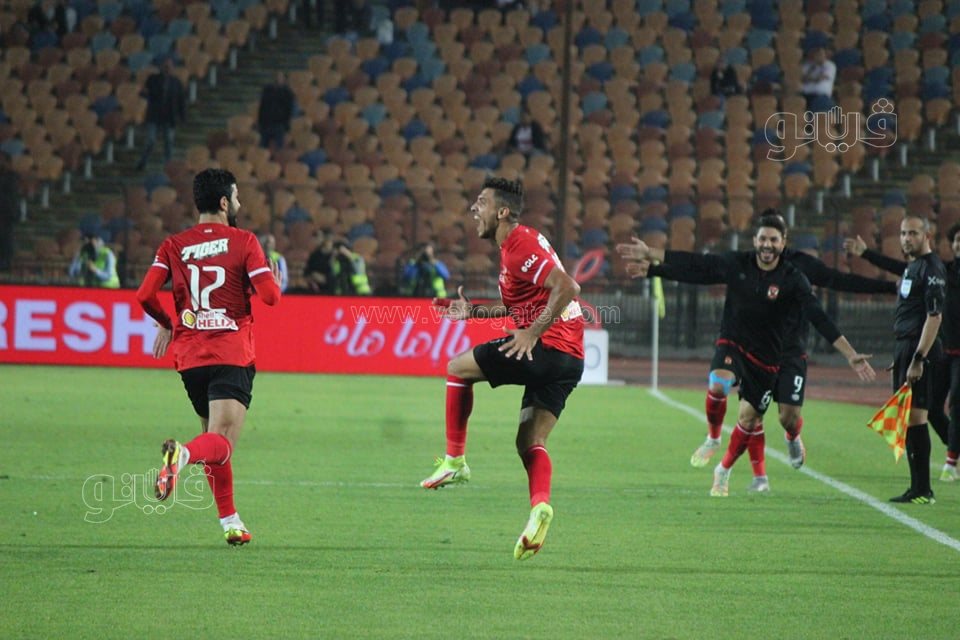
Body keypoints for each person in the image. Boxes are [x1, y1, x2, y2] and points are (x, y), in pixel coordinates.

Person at [617, 213, 876, 496]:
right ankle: (713, 439)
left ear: (783, 243)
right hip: (735, 343)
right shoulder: (738, 263)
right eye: (763, 239)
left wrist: (849, 354)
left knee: (765, 420)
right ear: (755, 240)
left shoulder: (793, 278)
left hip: (769, 358)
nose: (767, 245)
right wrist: (653, 258)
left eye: (773, 240)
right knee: (718, 383)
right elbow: (699, 266)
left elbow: (818, 316)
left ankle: (768, 448)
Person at [420, 177, 585, 561]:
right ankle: (540, 507)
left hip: (548, 346)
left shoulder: (519, 244)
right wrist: (475, 312)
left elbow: (568, 287)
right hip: (570, 359)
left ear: (502, 211)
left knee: (457, 368)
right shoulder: (518, 247)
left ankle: (455, 461)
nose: (474, 208)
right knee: (530, 441)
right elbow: (520, 304)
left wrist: (532, 333)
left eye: (481, 202)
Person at [135, 168, 282, 545]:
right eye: (236, 197)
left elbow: (145, 295)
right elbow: (270, 298)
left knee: (214, 444)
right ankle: (182, 456)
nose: (239, 203)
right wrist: (275, 282)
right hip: (231, 352)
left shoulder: (173, 245)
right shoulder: (244, 241)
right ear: (223, 202)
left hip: (190, 357)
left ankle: (230, 521)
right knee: (221, 443)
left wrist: (167, 323)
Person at [845, 222, 952, 494]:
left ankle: (922, 490)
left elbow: (934, 317)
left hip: (919, 349)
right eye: (903, 233)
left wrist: (918, 358)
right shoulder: (913, 267)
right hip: (907, 347)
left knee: (917, 417)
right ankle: (917, 488)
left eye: (913, 233)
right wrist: (904, 355)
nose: (906, 238)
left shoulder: (932, 268)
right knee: (909, 419)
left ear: (927, 235)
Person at [136, 58, 186, 170]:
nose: (167, 69)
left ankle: (168, 165)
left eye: (169, 67)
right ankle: (143, 161)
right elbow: (145, 92)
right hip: (154, 115)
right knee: (150, 140)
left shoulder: (176, 82)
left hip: (169, 117)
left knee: (169, 142)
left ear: (172, 68)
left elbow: (181, 101)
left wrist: (182, 117)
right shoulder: (153, 79)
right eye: (165, 66)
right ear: (161, 67)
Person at [257, 72, 295, 151]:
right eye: (276, 77)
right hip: (266, 124)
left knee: (278, 148)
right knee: (262, 148)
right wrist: (260, 122)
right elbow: (262, 107)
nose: (277, 79)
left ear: (284, 79)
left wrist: (286, 125)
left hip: (279, 124)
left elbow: (289, 110)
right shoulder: (267, 91)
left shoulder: (287, 93)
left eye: (280, 77)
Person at [0, 152, 19, 271]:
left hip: (7, 214)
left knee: (6, 239)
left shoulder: (11, 177)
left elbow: (10, 197)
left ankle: (6, 263)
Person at [304, 229, 334, 294]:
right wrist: (312, 280)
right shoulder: (315, 255)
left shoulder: (335, 255)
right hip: (315, 291)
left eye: (319, 237)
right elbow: (307, 272)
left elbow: (337, 276)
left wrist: (325, 279)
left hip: (331, 292)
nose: (316, 239)